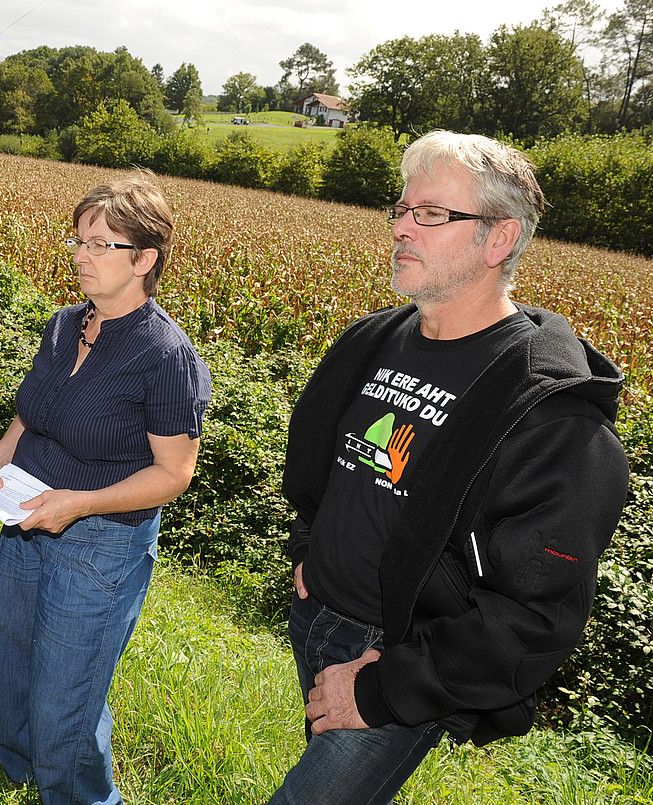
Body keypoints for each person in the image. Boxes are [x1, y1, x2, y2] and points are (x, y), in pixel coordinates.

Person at [269, 130, 629, 804]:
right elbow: (324, 466)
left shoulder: (550, 410)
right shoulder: (372, 338)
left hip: (400, 659)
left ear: (497, 239)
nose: (402, 229)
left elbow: (534, 613)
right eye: (400, 210)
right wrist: (307, 551)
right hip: (317, 612)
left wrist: (381, 688)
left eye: (430, 214)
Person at [0, 176, 212, 804]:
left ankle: (80, 795)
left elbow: (173, 474)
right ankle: (21, 767)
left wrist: (78, 504)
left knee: (67, 690)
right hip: (27, 512)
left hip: (102, 540)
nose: (80, 255)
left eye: (100, 244)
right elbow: (33, 411)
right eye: (79, 241)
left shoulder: (166, 356)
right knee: (9, 653)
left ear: (144, 260)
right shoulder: (63, 326)